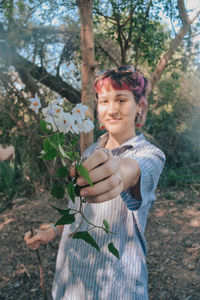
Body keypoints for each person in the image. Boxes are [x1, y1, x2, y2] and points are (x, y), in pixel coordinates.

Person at [24, 65, 166, 300]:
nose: (111, 109)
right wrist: (51, 231)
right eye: (104, 101)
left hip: (116, 288)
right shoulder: (89, 151)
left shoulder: (151, 155)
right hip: (71, 283)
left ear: (140, 107)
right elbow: (76, 211)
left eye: (121, 100)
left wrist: (118, 173)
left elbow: (131, 170)